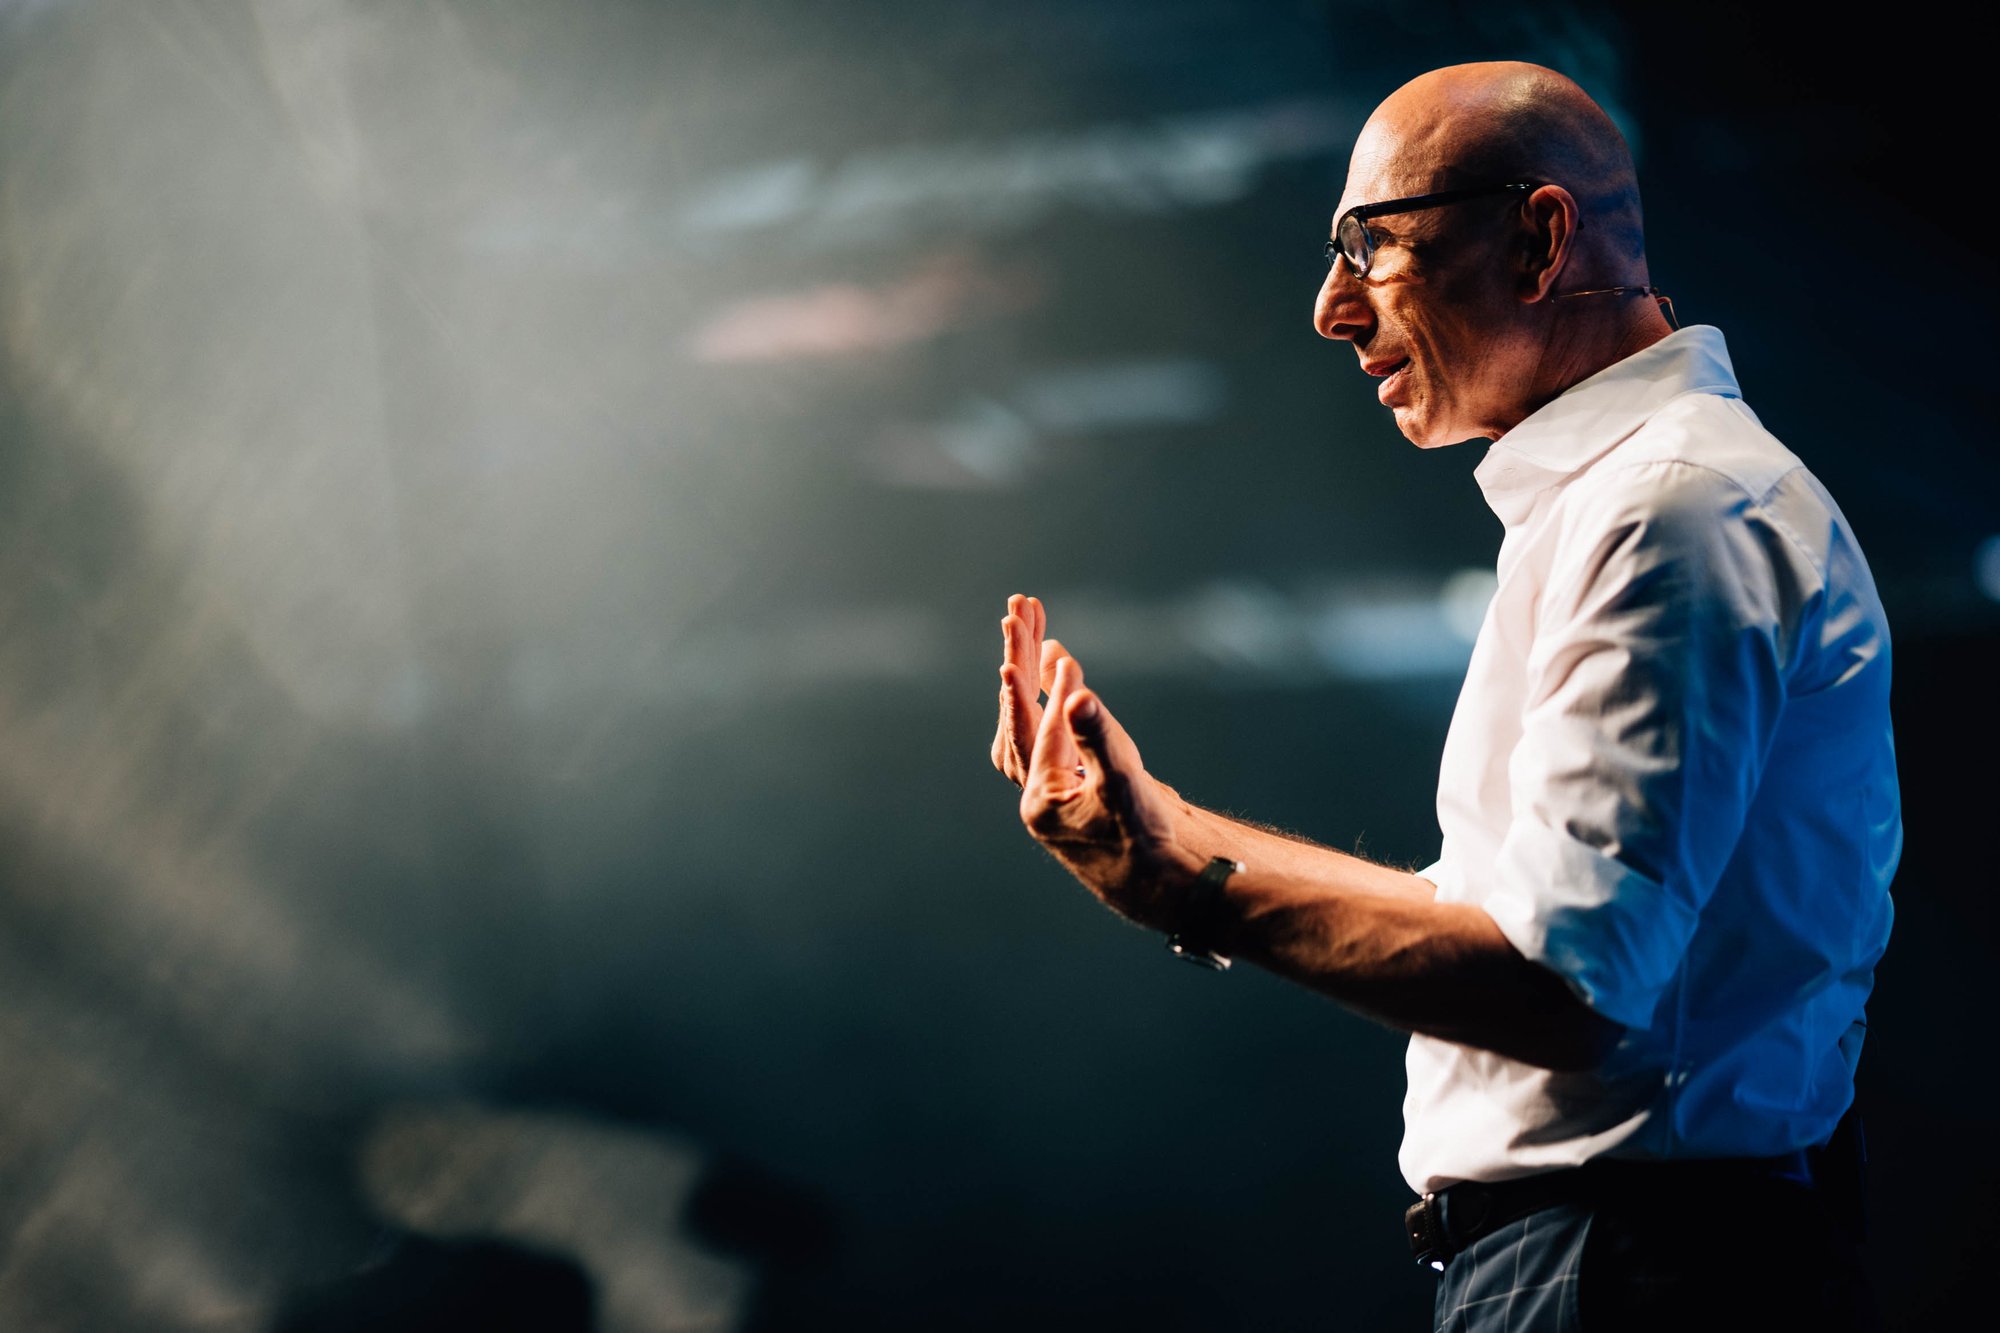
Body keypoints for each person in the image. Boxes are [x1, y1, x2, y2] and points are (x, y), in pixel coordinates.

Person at [989, 61, 1898, 1331]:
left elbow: (1561, 984)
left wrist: (1184, 889)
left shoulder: (1667, 508)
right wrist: (1176, 836)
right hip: (1628, 1259)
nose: (1328, 310)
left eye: (1368, 246)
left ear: (1536, 235)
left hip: (1633, 1270)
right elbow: (1497, 918)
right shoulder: (1640, 502)